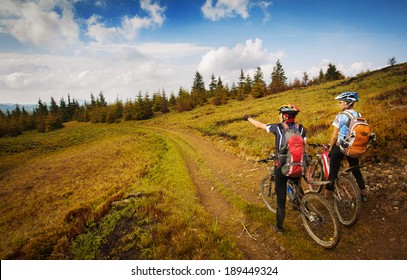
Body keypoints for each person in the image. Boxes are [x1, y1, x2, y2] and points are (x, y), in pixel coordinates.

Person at [245, 104, 306, 233]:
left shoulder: (277, 128)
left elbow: (258, 125)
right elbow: (305, 144)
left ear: (285, 116)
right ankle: (299, 203)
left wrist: (248, 118)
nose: (278, 116)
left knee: (281, 198)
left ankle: (279, 228)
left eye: (280, 114)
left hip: (282, 166)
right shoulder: (301, 128)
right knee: (296, 181)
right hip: (298, 164)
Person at [326, 91, 368, 202]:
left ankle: (326, 197)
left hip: (341, 146)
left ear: (347, 103)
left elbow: (334, 136)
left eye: (340, 102)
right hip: (353, 146)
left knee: (333, 172)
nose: (338, 104)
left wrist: (330, 149)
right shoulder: (359, 115)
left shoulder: (340, 116)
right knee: (356, 170)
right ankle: (364, 194)